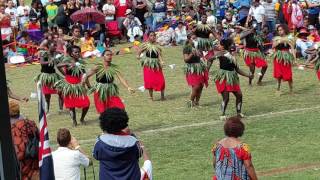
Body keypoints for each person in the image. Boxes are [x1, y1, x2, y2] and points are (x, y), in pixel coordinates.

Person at [93, 108, 152, 180]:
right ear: (124, 122)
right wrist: (131, 135)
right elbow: (140, 153)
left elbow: (96, 155)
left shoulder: (100, 143)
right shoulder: (133, 143)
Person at [213, 38, 253, 119]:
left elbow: (237, 69)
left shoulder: (232, 56)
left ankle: (239, 112)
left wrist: (248, 75)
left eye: (220, 45)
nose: (219, 46)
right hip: (223, 77)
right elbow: (211, 58)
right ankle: (222, 114)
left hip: (232, 77)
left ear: (224, 46)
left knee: (239, 95)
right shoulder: (221, 54)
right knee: (226, 97)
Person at [85, 50, 135, 114]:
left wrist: (128, 87)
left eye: (111, 55)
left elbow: (121, 78)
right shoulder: (98, 67)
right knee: (103, 111)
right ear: (103, 56)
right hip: (100, 91)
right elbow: (86, 77)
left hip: (111, 90)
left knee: (121, 108)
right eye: (107, 55)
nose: (109, 56)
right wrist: (89, 87)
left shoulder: (113, 67)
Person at [56, 45, 90, 126]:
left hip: (79, 85)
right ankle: (74, 121)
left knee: (87, 104)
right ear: (71, 54)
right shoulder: (67, 60)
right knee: (71, 106)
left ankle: (82, 119)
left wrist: (89, 86)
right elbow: (58, 66)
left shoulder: (81, 62)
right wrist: (67, 68)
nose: (78, 53)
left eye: (79, 52)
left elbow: (84, 75)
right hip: (70, 85)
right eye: (75, 52)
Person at [9, 100, 39, 180]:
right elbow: (39, 138)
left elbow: (18, 154)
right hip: (35, 162)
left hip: (22, 167)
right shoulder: (31, 123)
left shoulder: (11, 129)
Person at [34, 41, 63, 113]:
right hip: (46, 76)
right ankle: (47, 111)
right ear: (49, 46)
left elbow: (58, 66)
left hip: (54, 75)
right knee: (47, 95)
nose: (55, 47)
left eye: (56, 46)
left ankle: (61, 109)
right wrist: (50, 61)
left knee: (60, 92)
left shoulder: (56, 54)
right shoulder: (43, 53)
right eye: (54, 46)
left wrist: (65, 74)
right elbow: (42, 63)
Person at [137, 31, 166, 101]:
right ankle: (151, 97)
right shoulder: (145, 45)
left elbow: (159, 55)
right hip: (148, 65)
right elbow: (139, 51)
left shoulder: (157, 45)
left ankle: (162, 96)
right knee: (149, 81)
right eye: (151, 35)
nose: (153, 37)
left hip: (156, 65)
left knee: (161, 80)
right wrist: (138, 56)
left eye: (154, 36)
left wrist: (161, 61)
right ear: (148, 37)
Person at [183, 34, 208, 107]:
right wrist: (191, 54)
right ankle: (190, 102)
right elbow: (186, 60)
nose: (195, 40)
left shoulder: (196, 47)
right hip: (192, 69)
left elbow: (200, 56)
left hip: (199, 68)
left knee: (201, 86)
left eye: (195, 38)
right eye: (193, 38)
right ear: (189, 39)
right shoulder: (186, 48)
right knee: (196, 86)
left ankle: (197, 102)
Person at [272, 24, 295, 95]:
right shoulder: (276, 38)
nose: (280, 31)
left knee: (288, 73)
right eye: (278, 30)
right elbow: (273, 46)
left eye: (281, 30)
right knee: (278, 74)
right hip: (278, 58)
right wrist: (280, 41)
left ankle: (291, 89)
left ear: (284, 30)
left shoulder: (289, 37)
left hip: (286, 57)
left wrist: (295, 59)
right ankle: (278, 89)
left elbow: (292, 48)